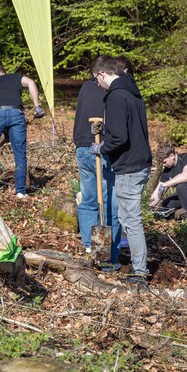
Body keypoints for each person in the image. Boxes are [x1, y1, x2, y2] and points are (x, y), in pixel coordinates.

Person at [91, 55, 152, 283]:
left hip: (129, 165)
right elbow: (128, 128)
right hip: (141, 161)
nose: (98, 85)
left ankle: (140, 271)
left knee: (130, 220)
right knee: (129, 217)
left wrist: (101, 147)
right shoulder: (134, 94)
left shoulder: (115, 97)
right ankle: (139, 267)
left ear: (102, 74)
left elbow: (119, 137)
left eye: (96, 80)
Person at [72, 69, 120, 262]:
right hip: (100, 148)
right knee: (107, 200)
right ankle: (103, 251)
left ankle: (89, 246)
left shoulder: (85, 86)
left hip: (82, 146)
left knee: (89, 198)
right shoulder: (111, 89)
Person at [0, 66, 44, 198]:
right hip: (17, 112)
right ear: (4, 74)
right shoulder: (15, 77)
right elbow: (31, 83)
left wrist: (3, 127)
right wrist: (37, 107)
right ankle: (21, 192)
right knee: (20, 152)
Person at [148, 144, 187, 217]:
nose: (163, 165)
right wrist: (149, 206)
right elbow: (159, 190)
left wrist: (166, 184)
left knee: (181, 187)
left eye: (165, 162)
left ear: (172, 156)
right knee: (163, 206)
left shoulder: (186, 158)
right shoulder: (167, 171)